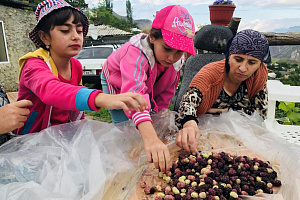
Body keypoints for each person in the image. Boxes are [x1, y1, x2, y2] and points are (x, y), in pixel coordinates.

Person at [15, 0, 147, 135]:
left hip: (62, 137)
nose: (75, 37)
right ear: (44, 37)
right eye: (65, 31)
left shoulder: (76, 65)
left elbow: (76, 109)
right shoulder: (33, 64)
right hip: (32, 140)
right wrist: (102, 98)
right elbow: (50, 91)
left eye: (79, 31)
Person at [101, 5, 195, 172]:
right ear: (152, 37)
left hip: (152, 82)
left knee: (153, 119)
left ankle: (149, 149)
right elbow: (134, 94)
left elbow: (166, 94)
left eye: (179, 52)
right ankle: (125, 164)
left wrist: (160, 120)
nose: (172, 57)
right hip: (118, 84)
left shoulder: (175, 63)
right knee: (126, 128)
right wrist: (150, 138)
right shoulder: (135, 53)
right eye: (167, 49)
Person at [175, 29, 271, 154]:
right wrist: (189, 123)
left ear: (260, 64)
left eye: (252, 62)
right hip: (201, 136)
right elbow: (187, 103)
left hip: (238, 139)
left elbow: (260, 115)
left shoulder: (258, 76)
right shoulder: (210, 73)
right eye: (238, 59)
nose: (242, 68)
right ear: (228, 56)